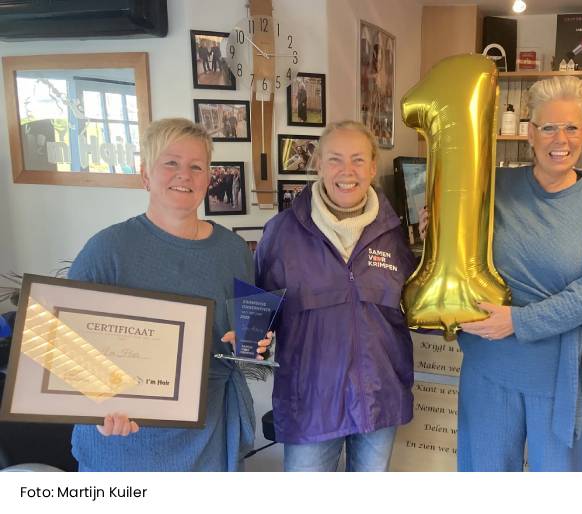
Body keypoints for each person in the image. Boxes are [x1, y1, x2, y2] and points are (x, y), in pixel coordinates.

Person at [67, 118, 258, 471]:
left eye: (196, 166)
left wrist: (253, 345)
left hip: (209, 438)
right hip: (125, 445)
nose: (184, 174)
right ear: (145, 175)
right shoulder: (107, 249)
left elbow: (248, 349)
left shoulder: (235, 251)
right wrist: (94, 406)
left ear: (208, 178)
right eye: (171, 163)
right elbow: (64, 345)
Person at [455, 76, 582, 471]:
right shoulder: (495, 185)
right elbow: (461, 252)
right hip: (489, 366)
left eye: (571, 127)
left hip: (561, 372)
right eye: (548, 127)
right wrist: (439, 230)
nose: (559, 139)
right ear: (530, 133)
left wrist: (518, 321)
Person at [255, 120, 415, 471]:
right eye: (335, 159)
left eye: (358, 160)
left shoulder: (396, 235)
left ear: (373, 167)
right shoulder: (281, 234)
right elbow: (255, 317)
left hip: (378, 400)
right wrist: (252, 340)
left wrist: (439, 247)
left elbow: (420, 311)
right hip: (310, 406)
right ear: (319, 165)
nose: (347, 171)